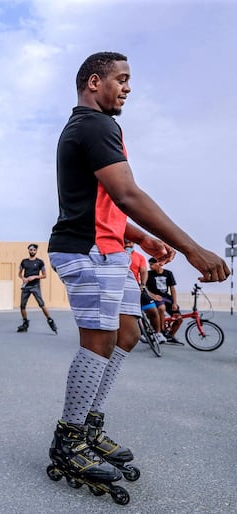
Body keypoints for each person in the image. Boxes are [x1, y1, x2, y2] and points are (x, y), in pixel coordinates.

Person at [46, 52, 229, 492]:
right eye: (121, 79)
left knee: (127, 333)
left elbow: (105, 201)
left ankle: (90, 425)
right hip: (87, 252)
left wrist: (142, 238)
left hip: (109, 247)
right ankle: (69, 441)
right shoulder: (94, 125)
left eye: (129, 80)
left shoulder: (95, 127)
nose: (128, 87)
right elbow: (127, 193)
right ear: (94, 82)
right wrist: (193, 249)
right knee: (100, 340)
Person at [124, 240, 166, 344]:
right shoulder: (116, 255)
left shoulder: (139, 257)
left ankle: (158, 333)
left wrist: (143, 284)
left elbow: (143, 272)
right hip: (120, 287)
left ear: (133, 243)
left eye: (130, 243)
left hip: (136, 286)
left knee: (153, 310)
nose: (128, 245)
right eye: (125, 243)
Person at [16, 244, 57, 333]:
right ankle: (25, 322)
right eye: (31, 250)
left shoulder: (40, 262)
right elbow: (19, 273)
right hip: (26, 286)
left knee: (41, 304)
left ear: (36, 251)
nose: (32, 251)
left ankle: (50, 320)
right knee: (22, 306)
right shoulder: (24, 262)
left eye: (34, 250)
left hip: (35, 286)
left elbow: (44, 275)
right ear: (28, 250)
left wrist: (34, 277)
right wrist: (23, 278)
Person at [146, 257, 182, 343]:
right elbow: (145, 288)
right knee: (161, 308)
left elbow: (172, 289)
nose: (150, 266)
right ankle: (161, 331)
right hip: (155, 297)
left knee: (179, 319)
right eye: (149, 264)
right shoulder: (148, 274)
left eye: (152, 264)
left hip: (166, 297)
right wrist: (152, 295)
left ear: (159, 264)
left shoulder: (168, 273)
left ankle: (170, 336)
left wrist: (174, 302)